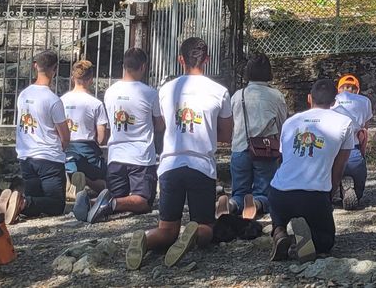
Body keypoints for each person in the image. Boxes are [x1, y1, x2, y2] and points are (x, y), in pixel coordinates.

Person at [127, 37, 233, 269]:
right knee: (207, 227)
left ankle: (145, 238)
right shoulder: (220, 91)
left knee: (167, 228)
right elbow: (226, 135)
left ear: (180, 60)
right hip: (201, 166)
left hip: (170, 165)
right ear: (207, 60)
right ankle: (193, 234)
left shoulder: (166, 90)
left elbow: (164, 124)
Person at [268, 78, 357, 262]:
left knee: (280, 213)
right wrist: (330, 195)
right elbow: (339, 167)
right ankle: (311, 242)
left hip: (279, 191)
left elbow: (285, 158)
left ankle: (279, 231)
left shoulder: (291, 122)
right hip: (313, 194)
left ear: (309, 98)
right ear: (334, 102)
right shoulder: (344, 123)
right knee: (325, 243)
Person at [1, 51, 70, 222]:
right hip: (49, 157)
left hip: (26, 156)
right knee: (56, 205)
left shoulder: (23, 95)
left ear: (35, 66)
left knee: (36, 206)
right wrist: (60, 147)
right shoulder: (53, 100)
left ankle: (18, 202)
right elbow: (65, 135)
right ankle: (22, 202)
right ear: (55, 69)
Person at [96, 47, 162, 222]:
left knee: (122, 195)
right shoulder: (150, 93)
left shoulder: (110, 92)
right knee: (144, 202)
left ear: (124, 67)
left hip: (116, 156)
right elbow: (160, 124)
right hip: (140, 157)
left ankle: (102, 202)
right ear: (143, 67)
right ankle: (111, 204)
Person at [230, 53, 288, 220]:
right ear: (268, 72)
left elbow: (233, 122)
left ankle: (231, 204)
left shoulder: (238, 95)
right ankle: (255, 204)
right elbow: (283, 124)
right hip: (265, 150)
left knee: (239, 191)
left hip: (239, 148)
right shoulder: (276, 96)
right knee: (264, 192)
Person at [63, 60, 109, 219]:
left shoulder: (61, 101)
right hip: (88, 150)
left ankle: (72, 177)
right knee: (107, 186)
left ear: (72, 78)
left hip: (67, 149)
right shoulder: (96, 103)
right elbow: (102, 139)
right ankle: (87, 181)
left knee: (69, 164)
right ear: (91, 79)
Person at [331, 75, 373, 208]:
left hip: (333, 152)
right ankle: (355, 192)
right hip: (353, 151)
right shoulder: (365, 101)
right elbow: (365, 129)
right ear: (357, 90)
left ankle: (333, 193)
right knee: (360, 171)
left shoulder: (331, 101)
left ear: (339, 89)